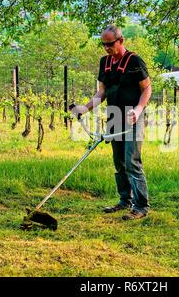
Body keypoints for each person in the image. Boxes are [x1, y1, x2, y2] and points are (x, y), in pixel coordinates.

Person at [70, 25, 152, 220]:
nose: (107, 48)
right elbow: (102, 92)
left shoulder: (134, 61)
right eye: (104, 44)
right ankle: (125, 201)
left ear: (120, 41)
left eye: (110, 44)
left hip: (133, 116)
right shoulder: (104, 62)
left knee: (132, 161)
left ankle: (141, 206)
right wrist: (85, 108)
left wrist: (138, 110)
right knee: (119, 162)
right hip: (114, 115)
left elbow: (147, 89)